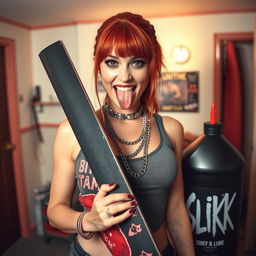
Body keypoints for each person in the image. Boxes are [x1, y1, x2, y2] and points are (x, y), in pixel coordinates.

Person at [47, 12, 195, 256]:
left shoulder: (171, 129)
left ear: (152, 65)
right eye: (112, 62)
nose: (124, 76)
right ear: (98, 64)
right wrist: (88, 221)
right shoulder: (69, 132)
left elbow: (176, 209)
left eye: (137, 63)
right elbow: (55, 211)